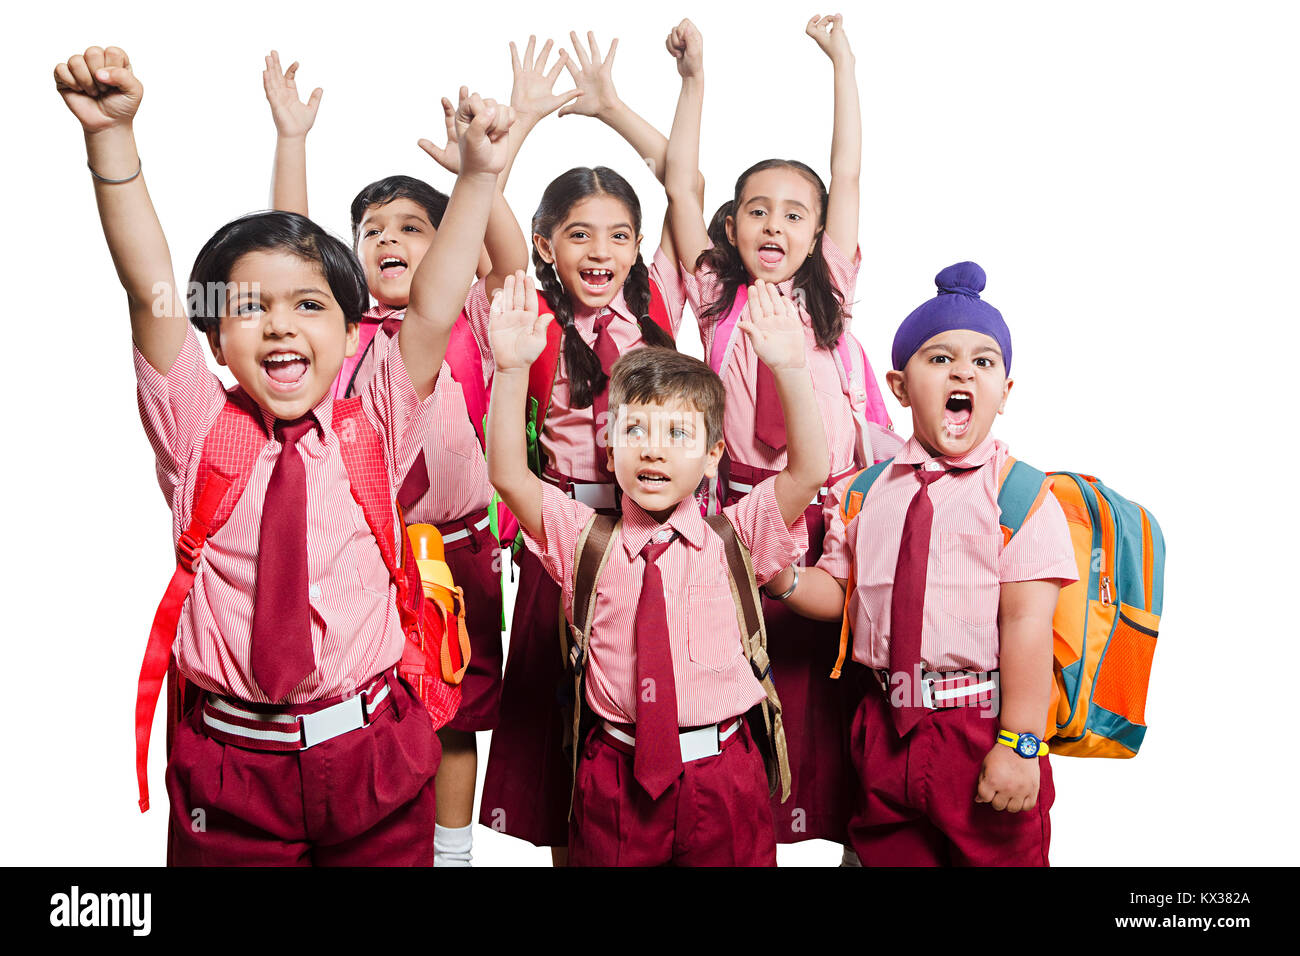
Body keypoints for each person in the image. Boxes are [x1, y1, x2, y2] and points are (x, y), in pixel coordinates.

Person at [56, 43, 513, 864]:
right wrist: (112, 144)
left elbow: (438, 305)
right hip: (232, 766)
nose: (279, 324)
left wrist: (478, 177)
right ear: (218, 340)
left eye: (308, 305)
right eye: (249, 308)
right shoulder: (196, 425)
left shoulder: (375, 419)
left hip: (371, 752)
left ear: (349, 331)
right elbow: (149, 285)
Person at [485, 271, 828, 865]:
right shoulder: (582, 538)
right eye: (635, 430)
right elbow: (510, 477)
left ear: (713, 452)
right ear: (610, 448)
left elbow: (807, 473)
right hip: (615, 775)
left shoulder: (737, 535)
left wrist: (791, 370)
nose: (653, 448)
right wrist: (513, 372)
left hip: (723, 774)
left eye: (677, 433)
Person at [663, 14, 897, 854]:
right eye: (756, 209)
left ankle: (853, 834)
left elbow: (848, 166)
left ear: (818, 232)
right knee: (746, 683)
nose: (774, 224)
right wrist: (694, 84)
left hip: (837, 520)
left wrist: (843, 59)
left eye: (794, 214)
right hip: (746, 520)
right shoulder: (720, 299)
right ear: (733, 228)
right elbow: (682, 186)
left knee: (841, 687)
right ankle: (742, 826)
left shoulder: (828, 287)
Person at [766, 261, 1079, 865]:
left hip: (984, 726)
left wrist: (1019, 744)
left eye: (983, 362)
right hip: (885, 726)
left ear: (1005, 393)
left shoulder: (1021, 496)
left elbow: (1026, 627)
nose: (963, 370)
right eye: (939, 358)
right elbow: (842, 595)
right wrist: (784, 579)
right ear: (900, 387)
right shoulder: (863, 491)